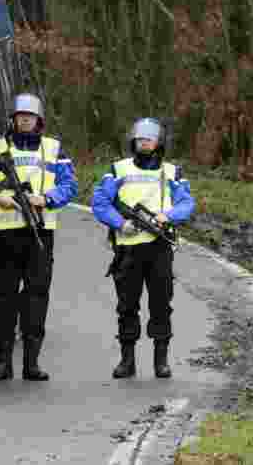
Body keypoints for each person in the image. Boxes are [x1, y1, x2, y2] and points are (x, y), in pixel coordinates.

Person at [0, 93, 78, 381]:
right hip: (5, 234)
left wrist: (46, 199)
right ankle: (3, 363)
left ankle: (32, 363)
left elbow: (70, 185)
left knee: (36, 296)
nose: (25, 120)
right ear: (14, 119)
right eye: (20, 116)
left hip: (39, 232)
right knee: (4, 298)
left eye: (30, 116)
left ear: (39, 120)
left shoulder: (54, 149)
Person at [91, 117, 195, 379]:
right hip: (127, 249)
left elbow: (187, 204)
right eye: (140, 139)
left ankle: (161, 361)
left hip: (159, 247)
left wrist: (167, 216)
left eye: (148, 139)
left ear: (158, 142)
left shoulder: (172, 172)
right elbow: (100, 202)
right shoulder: (118, 169)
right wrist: (120, 223)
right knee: (127, 305)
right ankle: (127, 361)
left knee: (161, 304)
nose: (143, 143)